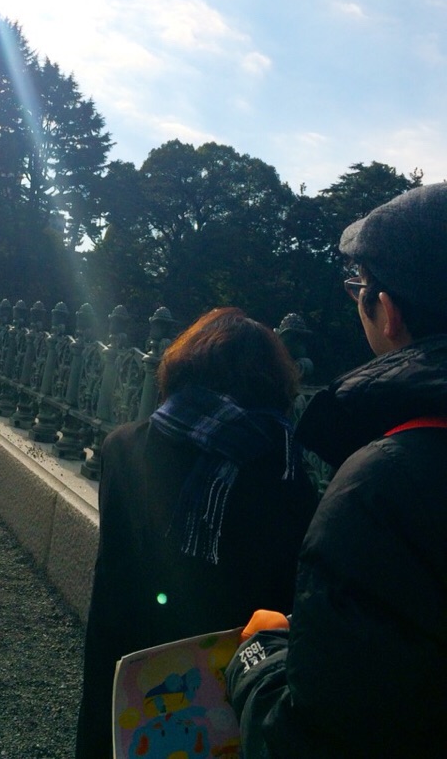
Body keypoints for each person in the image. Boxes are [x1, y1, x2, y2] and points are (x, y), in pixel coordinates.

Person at [226, 183, 447, 758]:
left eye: (359, 286)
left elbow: (312, 737)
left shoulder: (386, 482)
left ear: (388, 311)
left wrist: (263, 661)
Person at [75, 308, 318, 759]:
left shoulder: (123, 446)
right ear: (273, 382)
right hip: (222, 683)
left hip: (125, 662)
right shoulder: (284, 469)